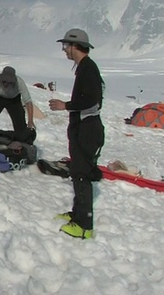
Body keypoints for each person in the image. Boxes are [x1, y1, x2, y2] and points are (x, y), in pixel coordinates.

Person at [49, 28, 105, 239]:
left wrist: (66, 105)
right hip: (84, 127)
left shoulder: (88, 68)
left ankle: (84, 226)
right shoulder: (84, 67)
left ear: (75, 46)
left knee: (82, 174)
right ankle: (77, 213)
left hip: (88, 129)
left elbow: (92, 100)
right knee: (77, 170)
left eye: (66, 46)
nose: (65, 50)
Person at [0, 66, 35, 138]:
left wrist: (30, 120)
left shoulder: (19, 82)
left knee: (21, 128)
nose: (6, 84)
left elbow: (28, 101)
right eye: (4, 81)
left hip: (14, 100)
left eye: (9, 82)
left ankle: (19, 137)